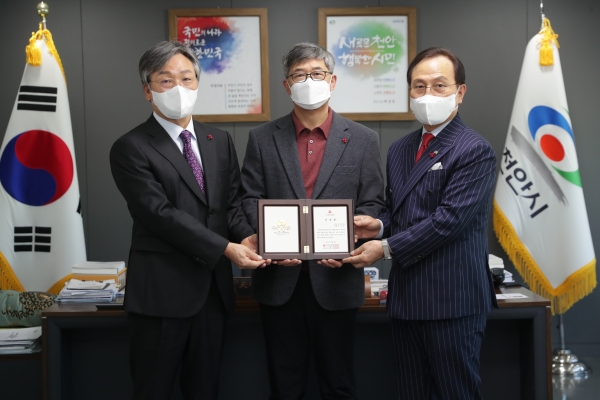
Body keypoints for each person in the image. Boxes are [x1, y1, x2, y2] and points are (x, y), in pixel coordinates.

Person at [109, 41, 265, 400]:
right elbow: (159, 214)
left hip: (213, 294)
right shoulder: (131, 147)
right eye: (166, 80)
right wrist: (226, 248)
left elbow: (230, 205)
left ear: (197, 83)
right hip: (161, 294)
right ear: (147, 90)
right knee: (153, 391)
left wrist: (248, 237)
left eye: (186, 78)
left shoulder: (218, 140)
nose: (178, 88)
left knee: (205, 390)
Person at [343, 47, 498, 399]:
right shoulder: (400, 148)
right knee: (412, 392)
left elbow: (448, 221)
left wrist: (384, 247)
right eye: (419, 85)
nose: (428, 94)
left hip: (452, 300)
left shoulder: (473, 149)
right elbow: (399, 212)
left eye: (440, 85)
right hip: (407, 297)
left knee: (455, 392)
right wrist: (378, 226)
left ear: (460, 92)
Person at [240, 42, 385, 399]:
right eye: (299, 75)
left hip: (337, 280)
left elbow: (373, 202)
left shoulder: (363, 139)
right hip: (279, 282)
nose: (309, 81)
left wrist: (354, 238)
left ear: (332, 81)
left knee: (338, 384)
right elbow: (249, 198)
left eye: (317, 74)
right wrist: (268, 240)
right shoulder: (262, 138)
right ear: (287, 85)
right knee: (285, 387)